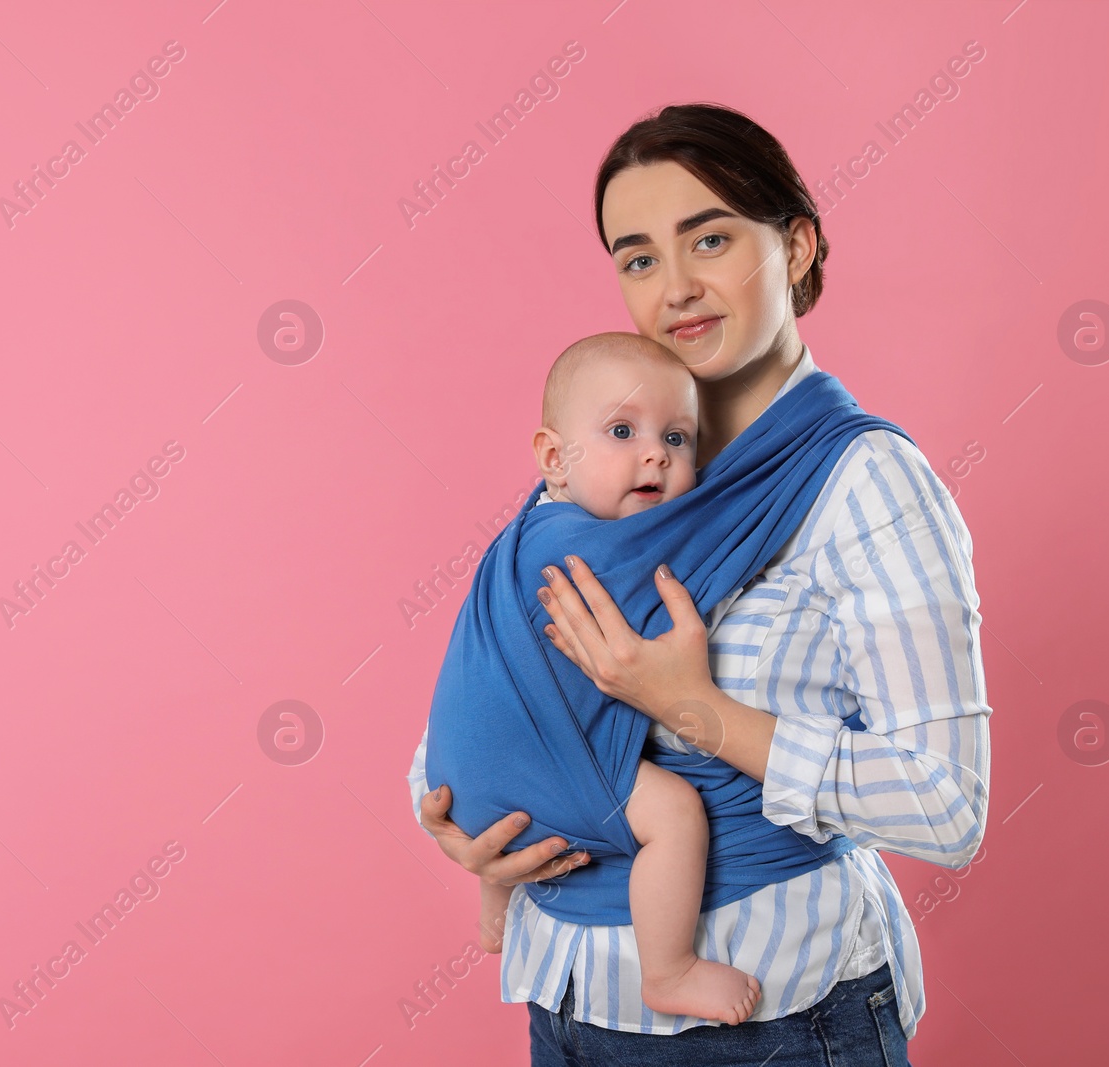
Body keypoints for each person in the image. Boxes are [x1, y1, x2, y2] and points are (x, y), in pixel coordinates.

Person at [406, 102, 990, 1065]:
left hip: (775, 1017)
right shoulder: (607, 460)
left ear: (796, 246)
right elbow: (494, 692)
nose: (674, 288)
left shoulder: (866, 483)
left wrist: (693, 707)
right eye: (638, 258)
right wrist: (460, 827)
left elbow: (947, 804)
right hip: (567, 1003)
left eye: (709, 238)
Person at [457, 330, 762, 1026]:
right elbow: (707, 543)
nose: (656, 452)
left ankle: (495, 895)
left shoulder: (520, 534)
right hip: (532, 781)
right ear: (553, 457)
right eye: (622, 430)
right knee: (677, 813)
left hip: (468, 786)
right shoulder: (599, 545)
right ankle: (670, 968)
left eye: (680, 439)